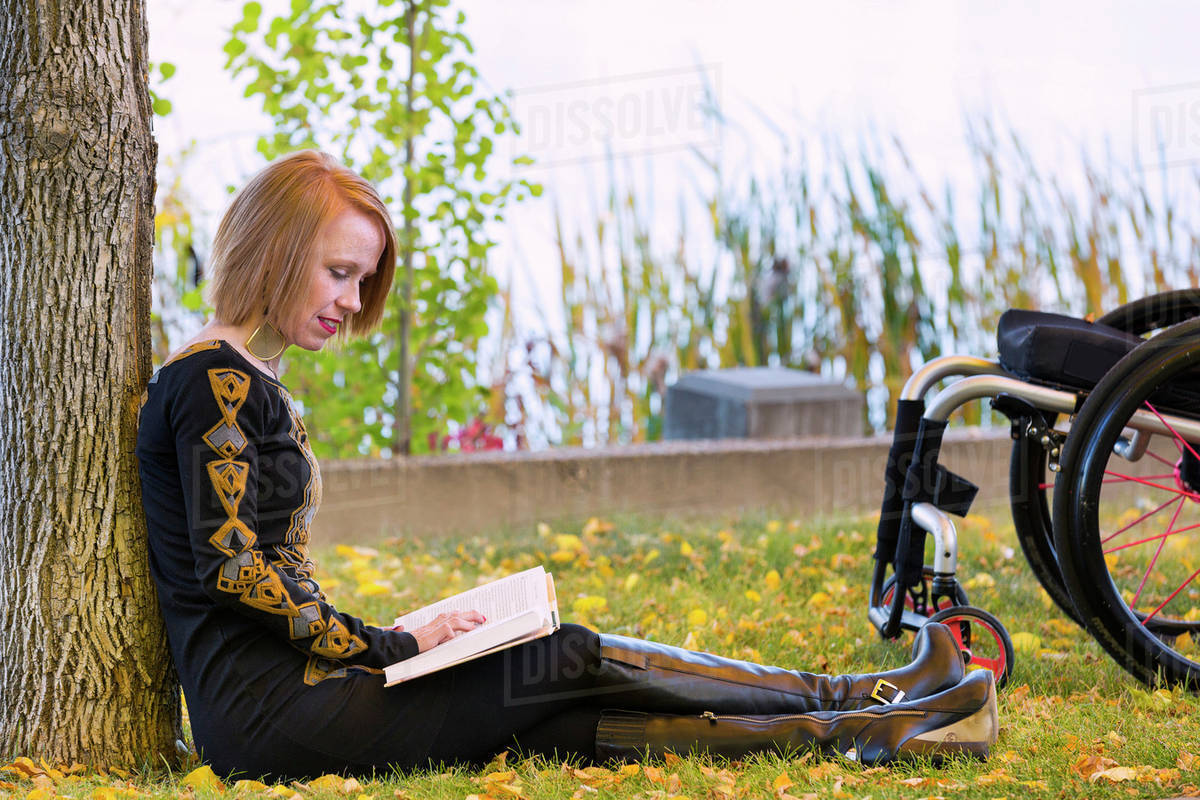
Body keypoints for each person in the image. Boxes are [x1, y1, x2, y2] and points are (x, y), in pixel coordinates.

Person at [136, 150, 998, 782]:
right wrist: (387, 646)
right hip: (271, 712)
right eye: (338, 274)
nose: (353, 303)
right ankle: (861, 698)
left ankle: (873, 723)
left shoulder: (234, 376)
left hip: (287, 694)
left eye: (362, 280)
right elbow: (237, 574)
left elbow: (255, 568)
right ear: (278, 249)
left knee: (565, 713)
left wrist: (385, 645)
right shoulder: (214, 380)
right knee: (565, 656)